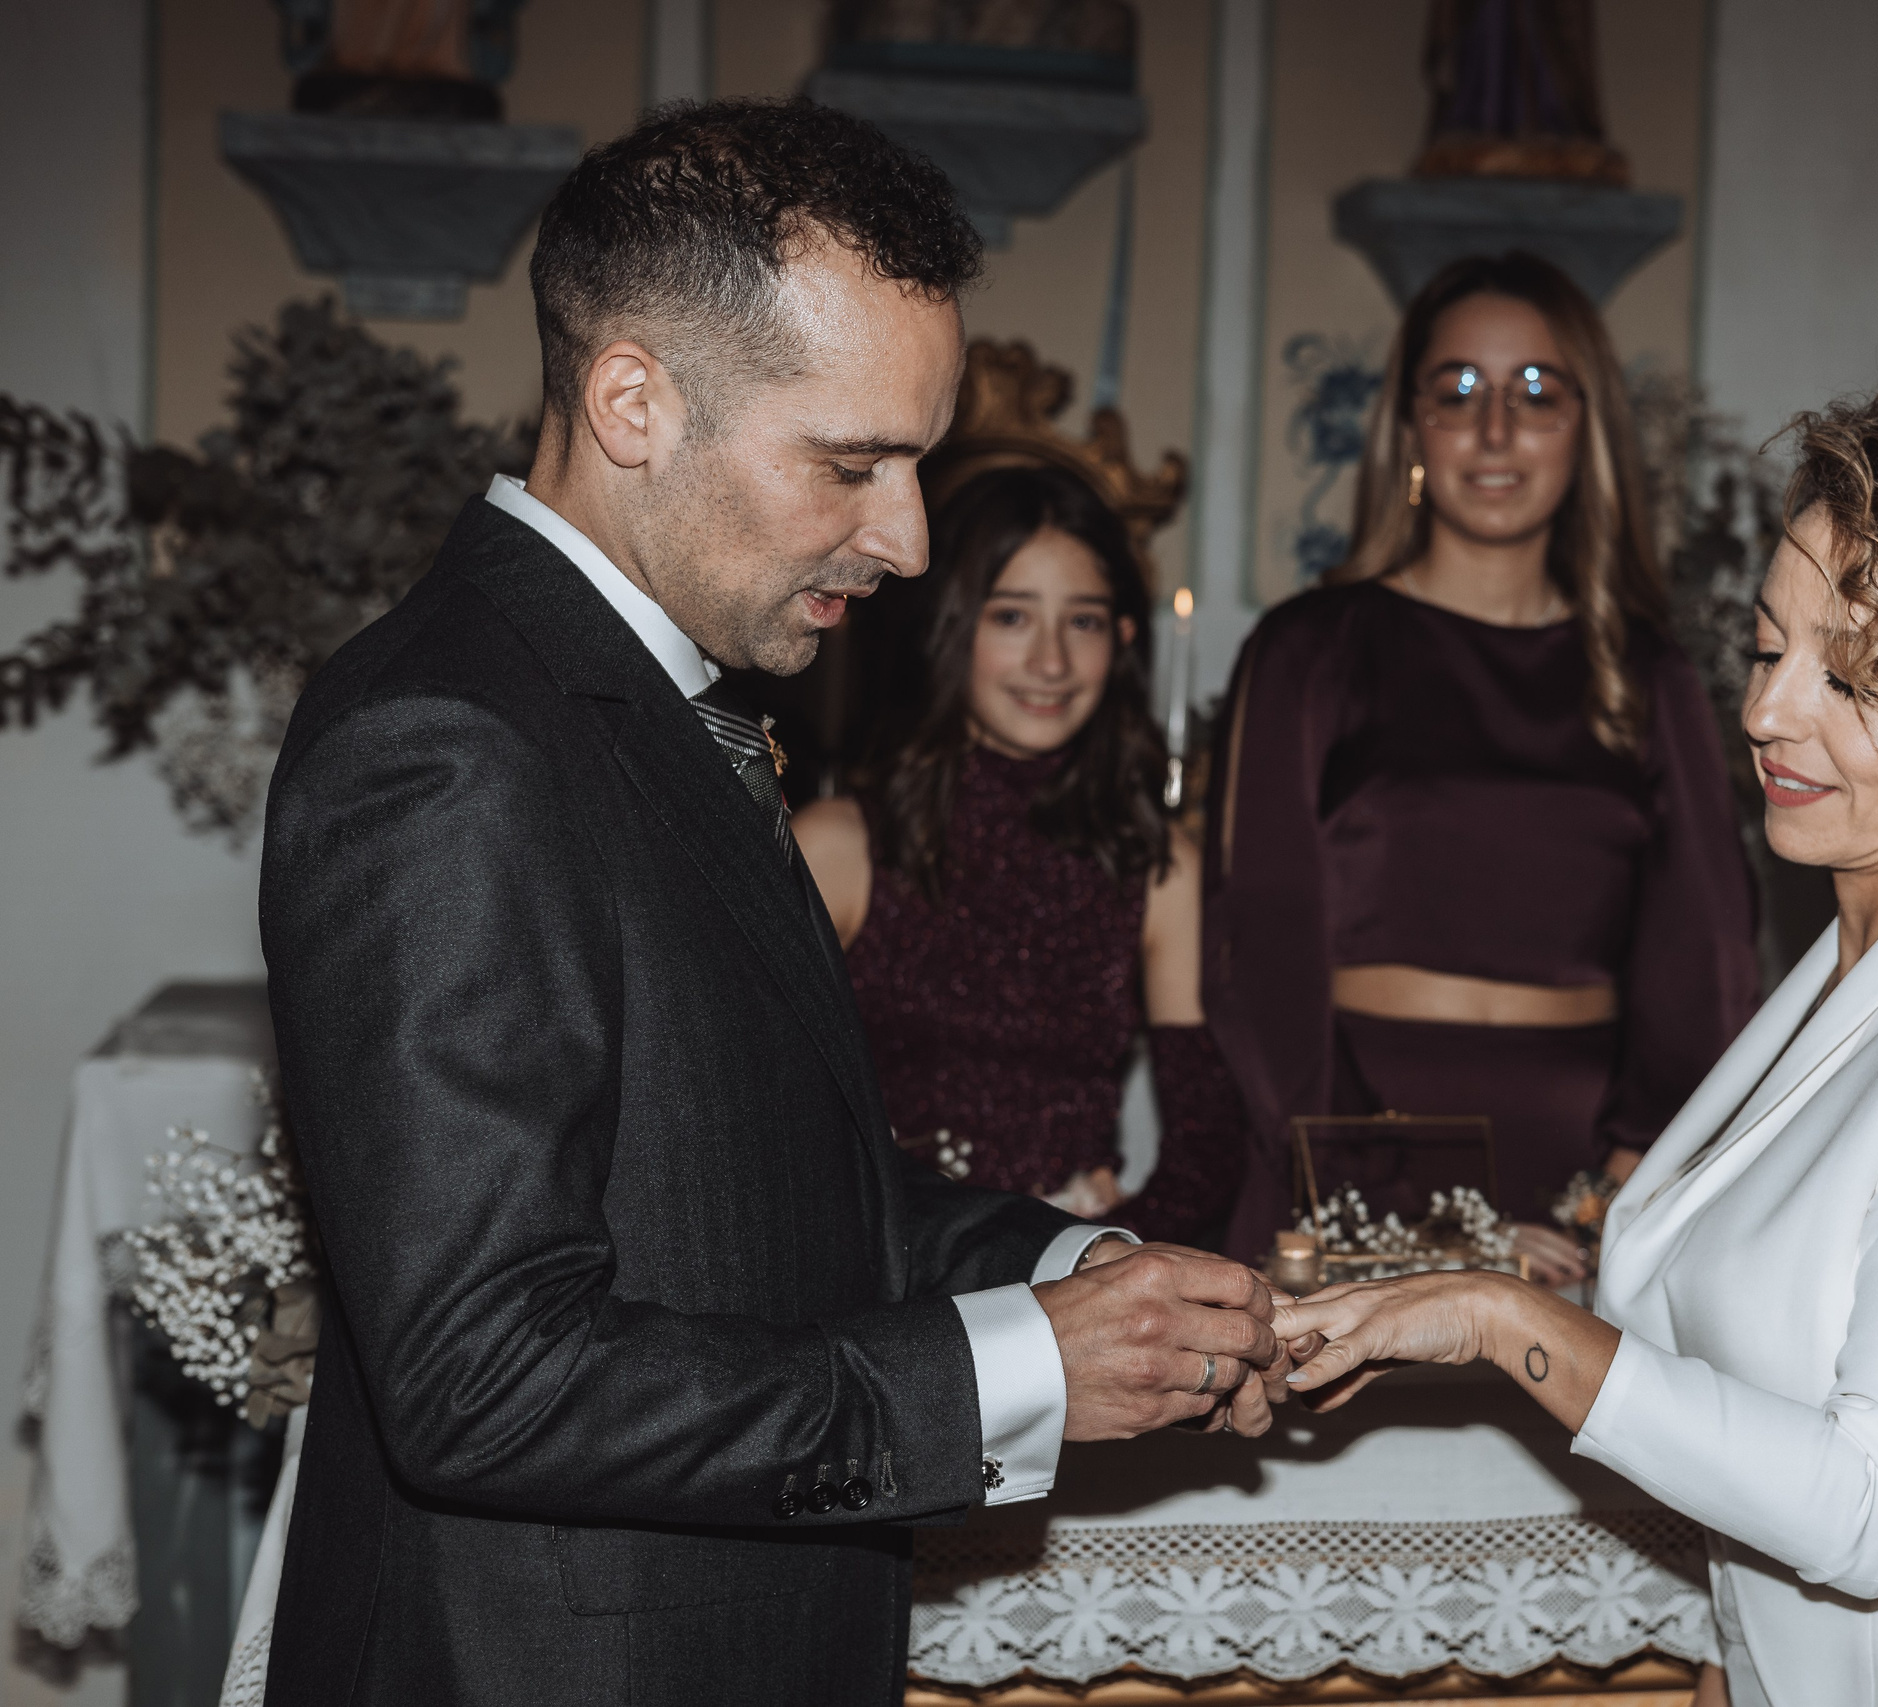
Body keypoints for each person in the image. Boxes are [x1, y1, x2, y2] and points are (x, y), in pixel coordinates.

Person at [257, 100, 1286, 1707]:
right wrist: (1008, 1371)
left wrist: (1076, 1270)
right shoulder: (448, 740)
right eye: (852, 460)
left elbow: (758, 1181)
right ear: (632, 401)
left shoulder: (662, 703)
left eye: (918, 464)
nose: (907, 535)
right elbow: (483, 1375)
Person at [1271, 385, 1878, 1707]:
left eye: (1850, 675)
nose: (1770, 713)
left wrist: (1499, 1317)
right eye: (1767, 648)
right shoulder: (1835, 985)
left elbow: (1870, 1502)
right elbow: (1745, 1439)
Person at [1202, 251, 1760, 1276]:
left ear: (1584, 429)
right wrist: (1392, 1204)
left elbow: (1706, 955)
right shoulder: (1307, 650)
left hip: (1589, 1189)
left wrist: (1635, 1175)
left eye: (1537, 393)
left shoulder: (1648, 671)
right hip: (1340, 1160)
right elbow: (1259, 958)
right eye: (1458, 391)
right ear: (1408, 426)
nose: (1495, 431)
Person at [793, 463, 1245, 1245]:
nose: (1051, 662)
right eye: (1011, 617)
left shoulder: (1156, 862)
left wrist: (1093, 1252)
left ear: (1124, 638)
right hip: (879, 1291)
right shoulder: (838, 847)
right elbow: (755, 1128)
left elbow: (1208, 1153)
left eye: (1084, 621)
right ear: (951, 627)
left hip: (1081, 1300)